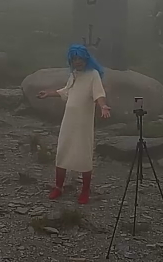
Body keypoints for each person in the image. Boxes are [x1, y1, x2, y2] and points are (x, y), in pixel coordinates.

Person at [36, 44, 111, 204]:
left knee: (84, 154)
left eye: (80, 58)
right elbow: (66, 91)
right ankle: (58, 187)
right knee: (62, 151)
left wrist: (103, 106)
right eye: (74, 59)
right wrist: (48, 93)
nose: (78, 62)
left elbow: (99, 94)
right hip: (68, 121)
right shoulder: (74, 75)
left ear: (86, 59)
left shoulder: (93, 74)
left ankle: (85, 191)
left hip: (83, 124)